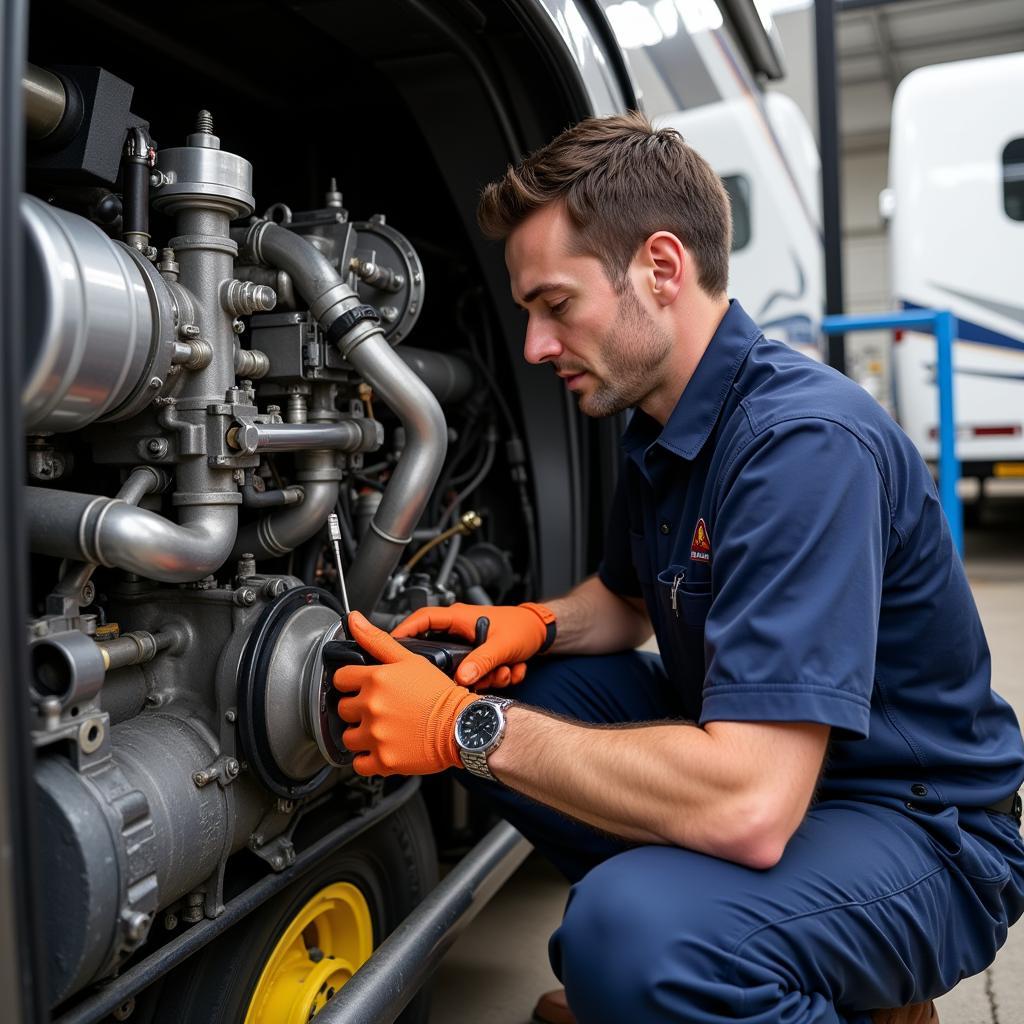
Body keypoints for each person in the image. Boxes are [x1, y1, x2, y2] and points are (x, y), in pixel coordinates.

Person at [333, 113, 1024, 1024]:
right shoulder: (662, 420)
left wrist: (469, 728)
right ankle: (743, 959)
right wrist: (536, 625)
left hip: (918, 825)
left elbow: (748, 802)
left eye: (555, 304)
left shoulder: (799, 446)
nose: (536, 346)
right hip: (775, 770)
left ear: (660, 268)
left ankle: (700, 964)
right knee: (481, 679)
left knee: (624, 936)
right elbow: (625, 600)